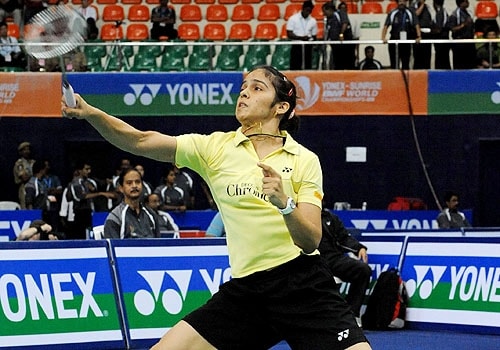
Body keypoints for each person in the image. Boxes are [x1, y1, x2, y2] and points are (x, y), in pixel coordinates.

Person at [61, 65, 371, 349]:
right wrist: (92, 114)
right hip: (247, 292)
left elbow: (310, 241)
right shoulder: (214, 148)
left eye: (257, 88)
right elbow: (140, 141)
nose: (245, 92)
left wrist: (285, 204)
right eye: (244, 87)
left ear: (281, 107)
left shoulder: (304, 160)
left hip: (304, 287)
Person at [319, 208, 372, 327]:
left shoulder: (329, 217)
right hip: (312, 260)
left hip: (333, 258)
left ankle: (351, 314)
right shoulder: (299, 215)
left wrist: (359, 248)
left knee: (363, 270)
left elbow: (344, 238)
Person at [104, 168, 160, 239]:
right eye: (129, 183)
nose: (134, 186)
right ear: (121, 188)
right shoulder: (115, 218)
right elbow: (113, 248)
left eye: (137, 182)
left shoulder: (151, 215)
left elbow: (159, 245)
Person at [67, 161, 115, 239]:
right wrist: (101, 193)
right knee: (80, 236)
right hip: (79, 213)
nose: (89, 171)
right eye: (86, 169)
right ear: (80, 170)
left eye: (89, 169)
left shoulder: (87, 181)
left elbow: (100, 183)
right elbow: (82, 197)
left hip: (88, 211)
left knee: (89, 233)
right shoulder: (75, 183)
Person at [381, 0, 421, 69]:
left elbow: (416, 25)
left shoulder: (410, 12)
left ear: (406, 2)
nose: (401, 3)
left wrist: (419, 36)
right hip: (394, 41)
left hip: (406, 42)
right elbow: (386, 26)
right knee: (394, 64)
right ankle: (394, 79)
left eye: (403, 1)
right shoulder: (393, 12)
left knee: (405, 64)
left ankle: (405, 79)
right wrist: (383, 37)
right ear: (397, 3)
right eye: (400, 1)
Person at [287, 1, 318, 70]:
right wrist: (301, 38)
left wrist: (311, 40)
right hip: (297, 45)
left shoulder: (313, 21)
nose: (308, 12)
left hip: (308, 45)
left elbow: (314, 35)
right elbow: (289, 34)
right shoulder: (293, 19)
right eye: (307, 10)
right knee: (295, 65)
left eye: (310, 11)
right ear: (303, 8)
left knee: (308, 65)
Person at [447, 0, 475, 69]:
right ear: (460, 3)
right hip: (460, 44)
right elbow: (452, 29)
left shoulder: (468, 13)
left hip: (469, 42)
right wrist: (464, 24)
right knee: (460, 65)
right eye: (465, 1)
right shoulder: (455, 14)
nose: (467, 2)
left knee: (470, 65)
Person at [12, 141, 35, 209]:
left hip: (35, 187)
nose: (27, 151)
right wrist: (34, 175)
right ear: (21, 152)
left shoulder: (33, 162)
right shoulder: (19, 163)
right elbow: (24, 177)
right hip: (24, 188)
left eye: (28, 149)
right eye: (24, 150)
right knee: (26, 209)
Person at [412, 0, 432, 69]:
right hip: (419, 34)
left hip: (428, 35)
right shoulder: (413, 5)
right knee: (418, 58)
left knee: (427, 58)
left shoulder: (427, 7)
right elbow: (416, 14)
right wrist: (422, 5)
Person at [431, 0, 451, 69]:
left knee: (442, 63)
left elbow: (439, 29)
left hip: (441, 43)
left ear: (435, 4)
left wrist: (430, 31)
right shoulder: (441, 12)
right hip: (441, 43)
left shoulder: (440, 13)